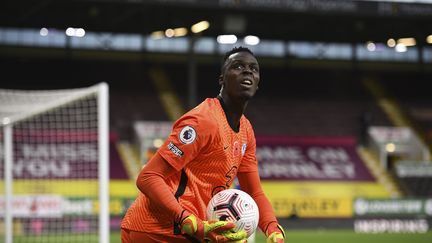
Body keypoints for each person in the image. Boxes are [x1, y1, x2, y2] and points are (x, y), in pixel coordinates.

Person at [121, 46, 285, 243]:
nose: (248, 71)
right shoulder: (203, 121)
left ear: (257, 84)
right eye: (238, 66)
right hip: (157, 230)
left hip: (191, 232)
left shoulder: (246, 131)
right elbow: (148, 177)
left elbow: (254, 191)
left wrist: (272, 228)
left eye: (253, 68)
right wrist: (186, 219)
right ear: (222, 79)